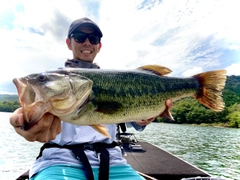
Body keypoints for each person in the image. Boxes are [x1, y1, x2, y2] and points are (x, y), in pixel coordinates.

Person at [10, 17, 156, 180]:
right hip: (60, 162)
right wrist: (22, 121)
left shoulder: (115, 81)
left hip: (114, 164)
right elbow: (26, 114)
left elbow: (130, 116)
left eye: (93, 39)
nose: (87, 42)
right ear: (68, 42)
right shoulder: (53, 81)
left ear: (99, 46)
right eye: (80, 36)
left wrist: (143, 119)